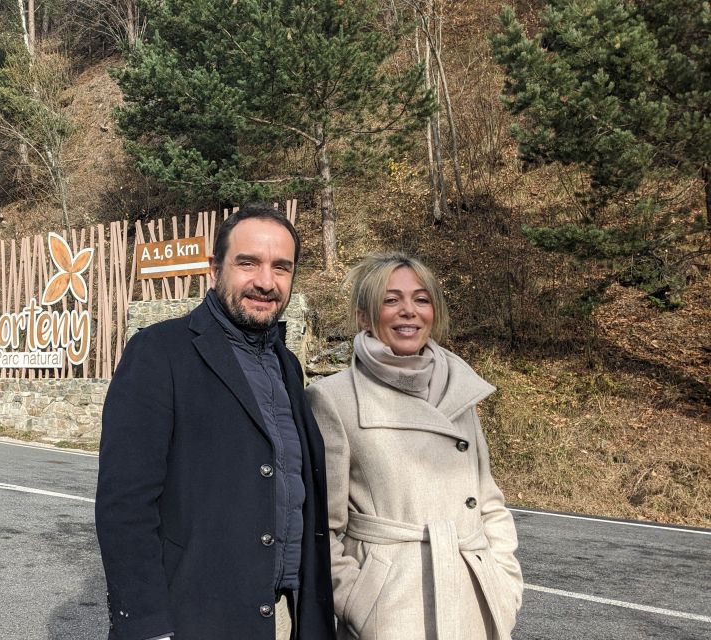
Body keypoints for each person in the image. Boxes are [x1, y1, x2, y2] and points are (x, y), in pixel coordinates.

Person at [95, 204, 337, 640]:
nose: (266, 282)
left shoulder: (287, 365)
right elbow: (125, 505)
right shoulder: (159, 353)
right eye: (248, 263)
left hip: (284, 617)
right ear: (214, 269)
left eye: (281, 268)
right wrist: (147, 627)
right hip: (193, 619)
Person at [306, 252, 523, 640]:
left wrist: (504, 583)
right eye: (391, 300)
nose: (409, 311)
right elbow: (321, 527)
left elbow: (489, 502)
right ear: (364, 316)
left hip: (473, 600)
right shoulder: (333, 399)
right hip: (390, 611)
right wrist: (359, 602)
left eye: (421, 299)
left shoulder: (460, 390)